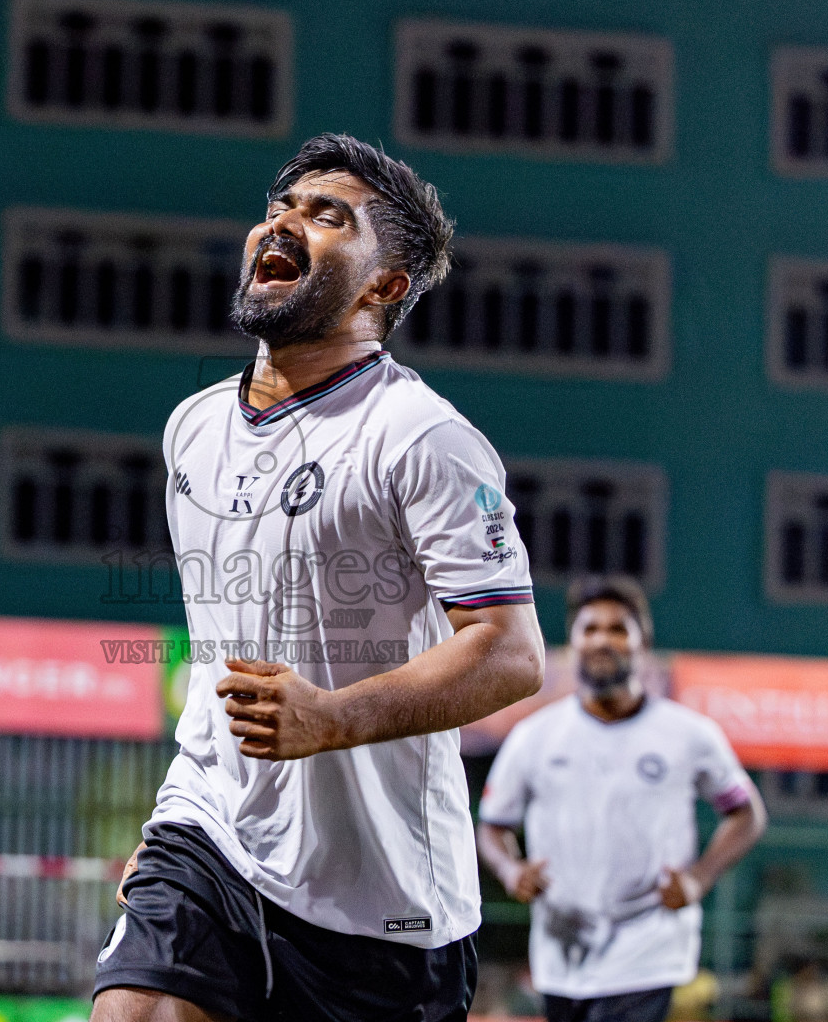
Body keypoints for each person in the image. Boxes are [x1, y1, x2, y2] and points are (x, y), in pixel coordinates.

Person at [92, 133, 546, 1022]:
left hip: (383, 904)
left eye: (328, 216)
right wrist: (179, 822)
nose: (285, 223)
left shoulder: (422, 437)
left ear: (385, 287)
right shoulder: (192, 428)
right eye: (282, 207)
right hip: (215, 834)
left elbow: (511, 654)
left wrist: (333, 718)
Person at [477, 576, 767, 1022]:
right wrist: (510, 869)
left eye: (618, 629)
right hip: (561, 949)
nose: (602, 641)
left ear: (642, 643)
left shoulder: (689, 735)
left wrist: (698, 879)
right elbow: (493, 825)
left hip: (648, 946)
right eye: (590, 629)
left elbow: (746, 813)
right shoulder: (534, 738)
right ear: (572, 643)